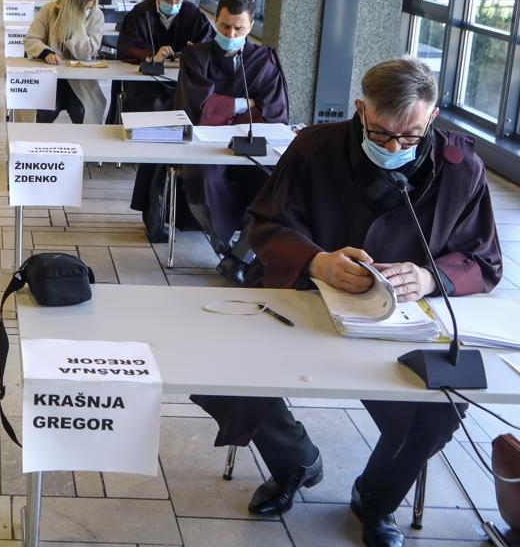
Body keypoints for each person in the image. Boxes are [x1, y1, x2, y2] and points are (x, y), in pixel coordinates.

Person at [192, 56, 501, 547]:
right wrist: (315, 261)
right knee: (222, 363)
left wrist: (429, 276)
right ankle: (295, 462)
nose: (395, 147)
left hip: (403, 321)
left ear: (434, 116)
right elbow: (265, 226)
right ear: (361, 109)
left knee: (443, 405)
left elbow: (484, 260)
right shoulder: (314, 147)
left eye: (411, 136)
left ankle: (375, 499)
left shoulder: (461, 169)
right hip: (305, 298)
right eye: (381, 133)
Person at [175, 0, 288, 285]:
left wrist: (222, 107)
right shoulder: (196, 56)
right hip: (207, 148)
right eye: (225, 26)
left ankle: (238, 258)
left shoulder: (264, 60)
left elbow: (273, 112)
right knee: (201, 178)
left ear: (251, 26)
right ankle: (227, 250)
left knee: (280, 184)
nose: (231, 34)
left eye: (239, 28)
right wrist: (245, 105)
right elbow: (199, 106)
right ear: (216, 21)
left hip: (252, 149)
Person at [115, 0, 214, 114]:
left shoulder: (192, 14)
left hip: (181, 80)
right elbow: (127, 46)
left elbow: (207, 44)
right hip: (145, 82)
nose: (173, 4)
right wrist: (151, 57)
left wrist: (188, 55)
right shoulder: (141, 13)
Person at [23, 0, 106, 123]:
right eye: (84, 9)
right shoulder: (49, 10)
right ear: (72, 6)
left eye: (89, 8)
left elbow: (85, 53)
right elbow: (31, 39)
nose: (87, 12)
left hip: (80, 80)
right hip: (50, 78)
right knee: (45, 112)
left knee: (83, 112)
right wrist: (46, 53)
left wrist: (75, 27)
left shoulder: (96, 15)